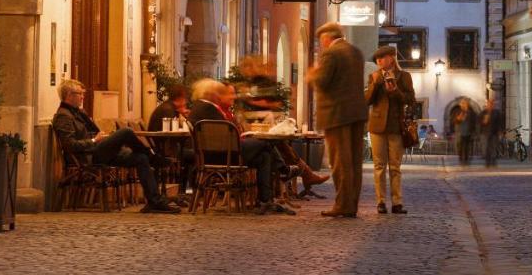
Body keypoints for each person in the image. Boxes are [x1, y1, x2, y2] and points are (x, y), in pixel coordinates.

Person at [52, 79, 180, 214]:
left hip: (99, 151)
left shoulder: (80, 112)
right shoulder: (63, 116)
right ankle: (153, 158)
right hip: (88, 156)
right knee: (126, 132)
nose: (83, 96)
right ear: (69, 95)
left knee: (140, 158)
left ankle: (154, 202)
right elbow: (70, 145)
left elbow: (95, 132)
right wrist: (94, 140)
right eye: (80, 93)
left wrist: (105, 138)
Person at [189, 80, 295, 215]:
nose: (218, 95)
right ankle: (283, 170)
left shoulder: (199, 108)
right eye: (218, 92)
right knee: (266, 142)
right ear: (210, 93)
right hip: (224, 155)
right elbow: (226, 133)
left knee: (264, 157)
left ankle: (266, 201)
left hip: (218, 154)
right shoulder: (208, 108)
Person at [307, 22, 367, 219]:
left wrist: (313, 74)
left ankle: (342, 204)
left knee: (340, 162)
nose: (321, 44)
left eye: (321, 40)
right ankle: (352, 204)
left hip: (336, 114)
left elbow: (323, 82)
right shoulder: (356, 52)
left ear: (327, 38)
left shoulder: (331, 54)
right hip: (356, 113)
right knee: (354, 162)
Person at [365, 45, 415, 215]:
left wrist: (395, 91)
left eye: (382, 57)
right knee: (379, 165)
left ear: (391, 58)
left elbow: (410, 100)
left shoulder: (404, 76)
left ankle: (397, 202)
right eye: (377, 59)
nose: (379, 61)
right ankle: (380, 202)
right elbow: (367, 101)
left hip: (396, 125)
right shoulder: (374, 76)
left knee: (395, 167)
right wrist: (376, 83)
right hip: (377, 126)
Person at [481, 99, 504, 168]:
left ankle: (493, 161)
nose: (490, 105)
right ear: (487, 104)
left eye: (492, 104)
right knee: (487, 148)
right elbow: (479, 122)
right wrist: (484, 121)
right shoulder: (484, 112)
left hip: (494, 132)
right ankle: (487, 162)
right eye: (489, 104)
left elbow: (500, 123)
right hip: (486, 133)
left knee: (494, 147)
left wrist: (501, 131)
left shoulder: (497, 112)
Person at [454, 99, 477, 165]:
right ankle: (461, 158)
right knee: (460, 146)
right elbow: (454, 121)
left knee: (467, 146)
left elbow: (474, 122)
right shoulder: (457, 112)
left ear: (467, 104)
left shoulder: (471, 113)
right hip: (460, 132)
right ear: (460, 105)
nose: (463, 105)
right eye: (462, 103)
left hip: (468, 132)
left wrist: (474, 131)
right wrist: (459, 118)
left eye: (465, 103)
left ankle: (466, 159)